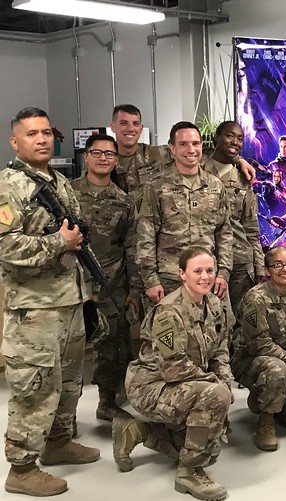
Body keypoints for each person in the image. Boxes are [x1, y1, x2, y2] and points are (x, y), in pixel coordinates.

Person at [1, 107, 99, 497]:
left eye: (45, 132)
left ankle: (58, 443)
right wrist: (59, 242)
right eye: (31, 134)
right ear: (16, 142)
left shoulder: (57, 180)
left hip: (68, 300)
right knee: (35, 386)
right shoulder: (9, 186)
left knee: (70, 382)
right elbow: (5, 245)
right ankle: (21, 468)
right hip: (34, 308)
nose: (41, 139)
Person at [112, 247, 232, 500]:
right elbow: (174, 367)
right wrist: (216, 385)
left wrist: (225, 380)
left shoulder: (213, 303)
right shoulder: (169, 312)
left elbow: (220, 349)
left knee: (212, 446)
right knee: (214, 399)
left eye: (210, 270)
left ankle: (136, 431)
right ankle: (189, 473)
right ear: (182, 274)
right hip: (152, 386)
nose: (205, 277)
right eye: (197, 271)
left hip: (187, 382)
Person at [70, 133, 143, 421]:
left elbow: (132, 248)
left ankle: (107, 401)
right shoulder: (68, 194)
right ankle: (65, 417)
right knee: (69, 350)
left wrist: (134, 291)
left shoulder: (124, 201)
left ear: (116, 161)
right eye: (96, 152)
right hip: (71, 283)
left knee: (113, 346)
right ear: (85, 156)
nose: (103, 158)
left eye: (109, 154)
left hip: (112, 282)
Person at [136, 121, 233, 305]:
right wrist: (151, 280)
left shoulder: (215, 186)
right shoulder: (156, 187)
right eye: (183, 144)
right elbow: (145, 236)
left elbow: (224, 233)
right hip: (170, 280)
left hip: (208, 279)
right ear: (172, 148)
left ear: (201, 146)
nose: (191, 149)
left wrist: (224, 273)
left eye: (195, 143)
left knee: (215, 331)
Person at [232, 247, 286, 451]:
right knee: (277, 369)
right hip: (252, 362)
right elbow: (260, 344)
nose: (284, 269)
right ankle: (266, 422)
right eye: (277, 265)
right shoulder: (255, 299)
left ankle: (264, 398)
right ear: (267, 270)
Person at [110, 104, 255, 195]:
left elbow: (198, 151)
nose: (130, 128)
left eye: (135, 124)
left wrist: (239, 160)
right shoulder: (103, 157)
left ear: (141, 128)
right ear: (113, 127)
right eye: (123, 123)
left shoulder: (155, 154)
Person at [203, 121, 264, 309]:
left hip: (239, 260)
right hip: (205, 258)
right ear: (217, 137)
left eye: (239, 138)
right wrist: (239, 159)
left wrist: (259, 266)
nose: (235, 142)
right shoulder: (198, 168)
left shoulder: (243, 177)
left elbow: (251, 226)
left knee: (239, 322)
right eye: (229, 136)